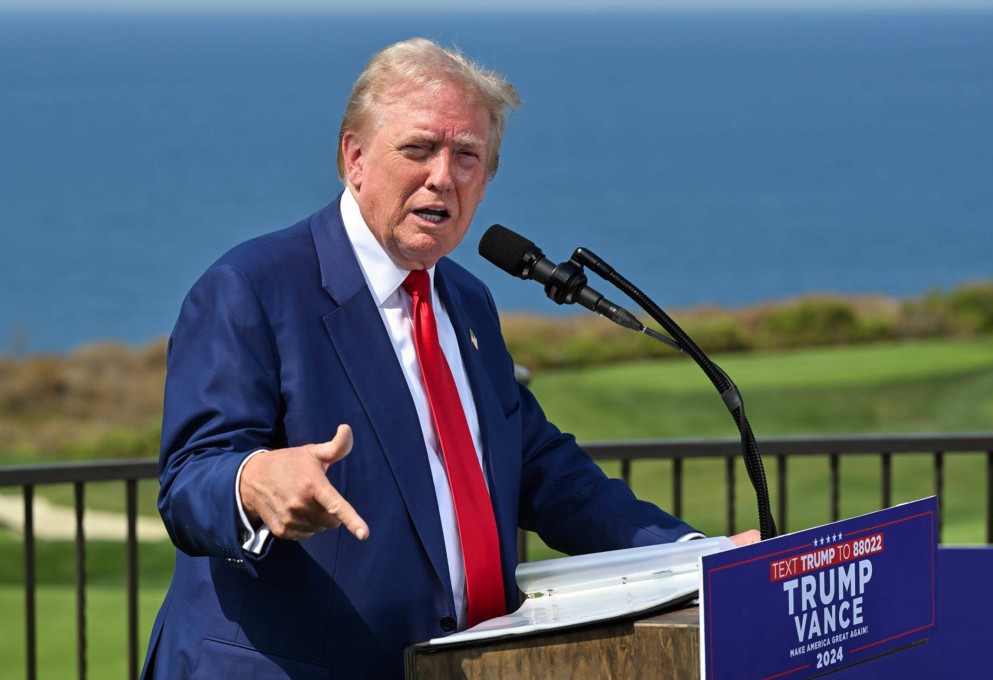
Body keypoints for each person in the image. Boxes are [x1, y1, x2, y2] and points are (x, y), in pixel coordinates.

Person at [142, 38, 758, 680]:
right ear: (354, 157)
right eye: (418, 149)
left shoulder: (465, 299)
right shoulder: (252, 286)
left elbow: (540, 468)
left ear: (486, 181)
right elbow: (189, 481)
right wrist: (253, 482)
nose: (443, 175)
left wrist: (697, 558)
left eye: (467, 156)